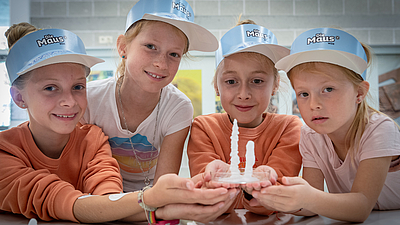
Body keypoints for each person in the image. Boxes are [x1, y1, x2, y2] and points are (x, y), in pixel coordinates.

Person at [0, 23, 236, 224]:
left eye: (78, 87)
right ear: (19, 98)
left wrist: (188, 190)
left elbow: (109, 200)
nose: (68, 101)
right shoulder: (4, 152)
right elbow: (59, 199)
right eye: (50, 88)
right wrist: (157, 202)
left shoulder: (93, 139)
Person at [257, 27, 400, 222]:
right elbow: (310, 205)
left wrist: (308, 197)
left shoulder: (380, 129)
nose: (314, 104)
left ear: (359, 93)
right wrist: (273, 194)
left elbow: (361, 206)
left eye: (328, 89)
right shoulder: (310, 135)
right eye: (304, 94)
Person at [81, 0, 219, 193]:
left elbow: (163, 187)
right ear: (123, 47)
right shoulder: (88, 99)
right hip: (96, 199)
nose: (161, 64)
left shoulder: (178, 107)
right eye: (150, 46)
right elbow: (79, 173)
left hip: (149, 204)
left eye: (174, 54)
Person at [187, 20, 303, 216]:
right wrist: (213, 183)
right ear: (217, 86)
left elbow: (274, 201)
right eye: (231, 81)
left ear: (275, 84)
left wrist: (258, 189)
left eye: (257, 81)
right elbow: (206, 198)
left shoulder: (288, 128)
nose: (243, 93)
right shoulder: (204, 127)